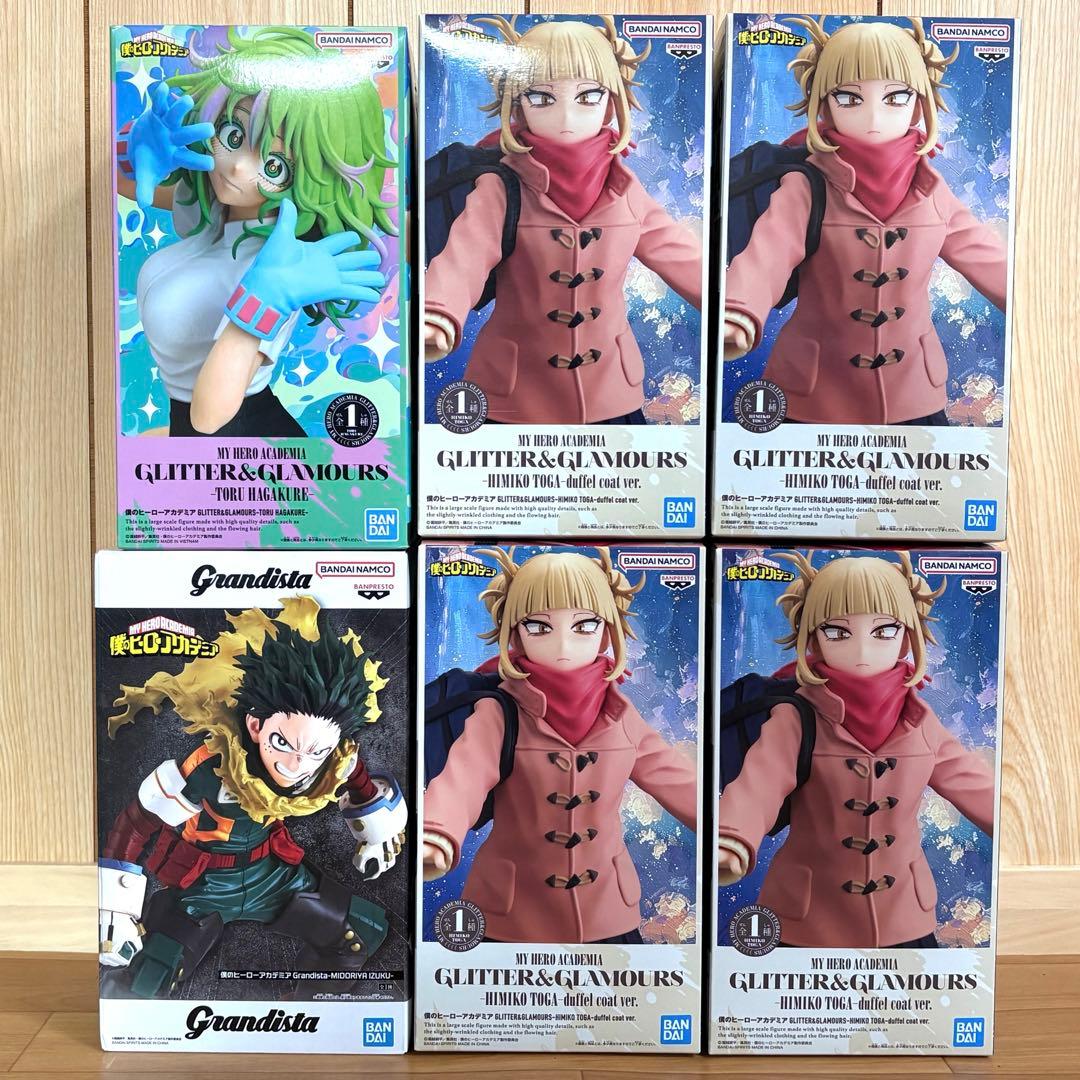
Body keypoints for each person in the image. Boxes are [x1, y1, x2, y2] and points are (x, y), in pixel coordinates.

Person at [98, 598, 407, 996]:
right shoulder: (210, 767)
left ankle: (309, 1015)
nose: (296, 765)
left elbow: (357, 780)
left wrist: (377, 832)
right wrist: (115, 907)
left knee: (362, 931)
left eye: (316, 751)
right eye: (284, 744)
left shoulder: (331, 761)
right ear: (256, 725)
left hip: (274, 877)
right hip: (204, 886)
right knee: (147, 977)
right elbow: (137, 822)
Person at [723, 18, 1007, 425]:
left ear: (919, 104)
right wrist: (737, 312)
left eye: (896, 97)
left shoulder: (931, 190)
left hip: (913, 391)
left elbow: (985, 255)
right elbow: (767, 255)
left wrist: (1037, 305)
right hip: (814, 394)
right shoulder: (805, 184)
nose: (874, 116)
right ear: (824, 104)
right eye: (849, 98)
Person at [424, 16, 702, 425]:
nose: (567, 117)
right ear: (517, 102)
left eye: (588, 96)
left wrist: (731, 306)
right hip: (514, 394)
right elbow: (464, 258)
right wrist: (438, 314)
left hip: (611, 391)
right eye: (541, 98)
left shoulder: (625, 189)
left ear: (612, 102)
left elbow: (679, 253)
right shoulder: (499, 186)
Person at [118, 26, 390, 436]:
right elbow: (125, 186)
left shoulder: (280, 264)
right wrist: (132, 148)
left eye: (274, 166)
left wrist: (263, 301)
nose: (238, 167)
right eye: (233, 134)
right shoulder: (212, 215)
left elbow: (208, 418)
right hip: (189, 441)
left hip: (243, 447)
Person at [716, 552, 995, 948]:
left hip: (904, 916)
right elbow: (759, 785)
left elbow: (972, 783)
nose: (863, 650)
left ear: (906, 637)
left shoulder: (919, 720)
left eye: (884, 631)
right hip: (808, 919)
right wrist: (731, 839)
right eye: (837, 632)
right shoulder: (796, 716)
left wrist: (1015, 829)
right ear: (813, 638)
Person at [422, 546, 697, 944]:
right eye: (539, 627)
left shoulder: (621, 715)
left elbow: (676, 779)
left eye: (584, 626)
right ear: (515, 632)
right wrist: (437, 833)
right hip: (511, 915)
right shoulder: (498, 711)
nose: (563, 646)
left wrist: (726, 832)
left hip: (608, 912)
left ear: (607, 631)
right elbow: (462, 779)